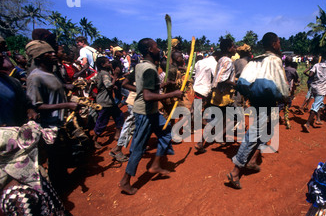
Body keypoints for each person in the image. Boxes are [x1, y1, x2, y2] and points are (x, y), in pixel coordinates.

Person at [0, 121, 108, 216]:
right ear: (22, 157)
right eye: (39, 148)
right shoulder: (18, 195)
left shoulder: (32, 179)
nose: (44, 151)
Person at [118, 38, 183, 195]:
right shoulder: (149, 69)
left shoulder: (141, 66)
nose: (158, 48)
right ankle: (125, 181)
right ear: (149, 50)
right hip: (145, 112)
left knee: (166, 133)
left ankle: (155, 164)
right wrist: (173, 93)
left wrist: (160, 86)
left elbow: (125, 83)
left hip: (152, 111)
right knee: (139, 147)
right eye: (155, 46)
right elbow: (147, 96)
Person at [227, 32, 290, 189]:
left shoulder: (255, 60)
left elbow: (244, 81)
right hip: (267, 100)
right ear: (274, 44)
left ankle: (253, 160)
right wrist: (286, 97)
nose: (279, 44)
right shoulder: (274, 60)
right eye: (278, 42)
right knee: (254, 133)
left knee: (267, 130)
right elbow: (281, 83)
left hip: (256, 98)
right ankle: (235, 171)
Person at [25, 40, 78, 190]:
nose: (53, 54)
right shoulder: (35, 77)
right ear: (38, 58)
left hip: (60, 123)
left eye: (53, 51)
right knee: (54, 160)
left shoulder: (51, 72)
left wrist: (67, 87)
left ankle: (63, 182)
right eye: (48, 53)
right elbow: (37, 106)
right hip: (49, 126)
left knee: (62, 157)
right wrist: (66, 105)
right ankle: (57, 191)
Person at [195, 39, 237, 153]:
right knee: (234, 118)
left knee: (218, 118)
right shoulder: (228, 61)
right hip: (224, 95)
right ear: (229, 48)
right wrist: (235, 84)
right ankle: (217, 136)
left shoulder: (221, 59)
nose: (235, 48)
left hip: (217, 94)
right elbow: (222, 80)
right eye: (233, 46)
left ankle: (201, 142)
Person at [91, 57, 124, 149]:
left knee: (119, 116)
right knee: (102, 121)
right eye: (108, 62)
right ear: (103, 65)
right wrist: (116, 76)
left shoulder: (102, 73)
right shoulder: (105, 74)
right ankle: (94, 140)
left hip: (108, 101)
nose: (110, 64)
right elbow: (108, 86)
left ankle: (117, 135)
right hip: (105, 102)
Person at [303, 50, 326, 132]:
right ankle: (307, 123)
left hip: (314, 86)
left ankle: (318, 119)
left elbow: (311, 75)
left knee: (319, 103)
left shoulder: (316, 65)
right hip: (321, 89)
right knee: (316, 105)